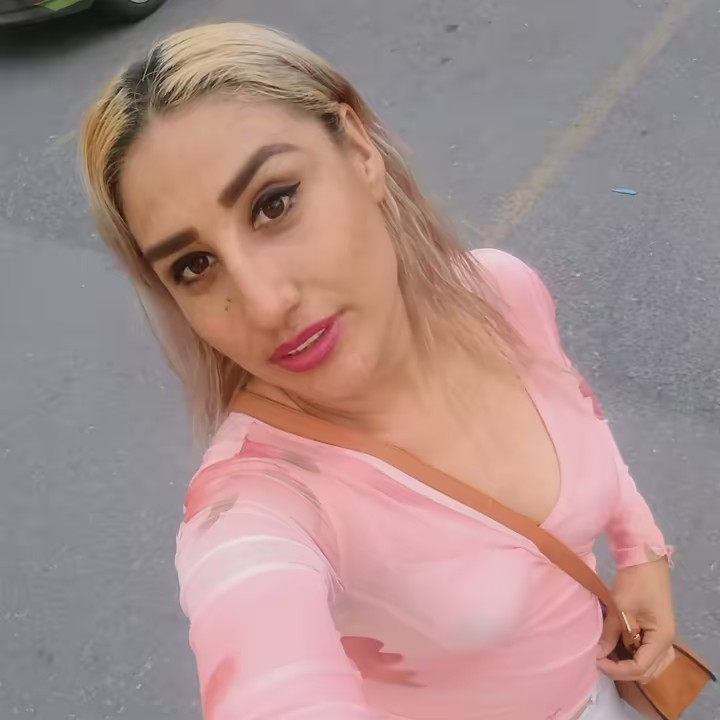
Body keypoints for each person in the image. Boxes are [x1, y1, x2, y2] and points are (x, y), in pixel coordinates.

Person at [80, 22, 675, 720]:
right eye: (194, 266)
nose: (265, 303)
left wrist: (641, 548)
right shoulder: (260, 503)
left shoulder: (499, 292)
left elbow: (583, 420)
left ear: (359, 150)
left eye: (274, 203)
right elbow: (260, 643)